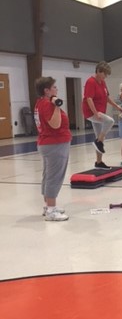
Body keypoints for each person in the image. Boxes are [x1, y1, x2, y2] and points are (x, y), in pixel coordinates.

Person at [34, 77, 71, 221]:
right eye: (54, 87)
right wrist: (56, 106)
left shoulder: (40, 103)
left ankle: (48, 206)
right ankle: (51, 210)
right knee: (54, 176)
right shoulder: (47, 104)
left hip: (48, 143)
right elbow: (55, 124)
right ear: (47, 90)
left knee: (48, 175)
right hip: (55, 143)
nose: (57, 89)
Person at [82, 61, 122, 169]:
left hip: (100, 112)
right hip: (91, 112)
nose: (105, 77)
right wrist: (95, 113)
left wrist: (117, 107)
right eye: (104, 74)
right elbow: (89, 99)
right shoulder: (90, 82)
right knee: (110, 121)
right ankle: (98, 141)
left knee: (100, 138)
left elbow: (107, 98)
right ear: (98, 71)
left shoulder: (102, 82)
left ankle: (99, 162)